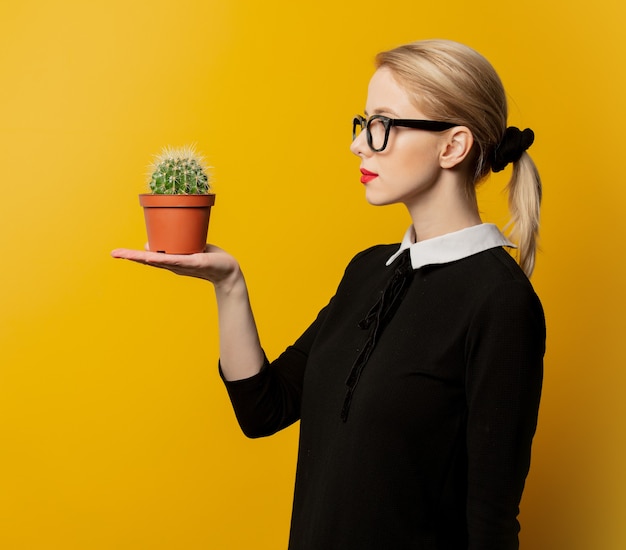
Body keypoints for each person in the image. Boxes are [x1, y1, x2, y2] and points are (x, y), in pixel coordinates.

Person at [112, 39, 545, 550]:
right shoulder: (369, 271)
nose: (359, 144)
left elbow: (491, 522)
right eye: (363, 123)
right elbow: (264, 410)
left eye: (383, 124)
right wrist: (228, 285)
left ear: (452, 146)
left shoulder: (499, 301)